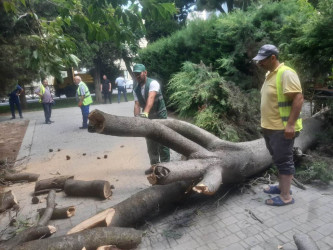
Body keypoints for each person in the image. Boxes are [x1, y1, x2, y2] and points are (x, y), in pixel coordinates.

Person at [253, 44, 303, 206]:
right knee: (278, 159)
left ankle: (286, 196)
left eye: (262, 60)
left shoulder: (286, 73)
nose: (259, 63)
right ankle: (282, 187)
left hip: (282, 129)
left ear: (273, 58)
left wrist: (290, 125)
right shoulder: (270, 74)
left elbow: (298, 98)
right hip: (270, 128)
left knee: (284, 161)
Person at [132, 64, 170, 174]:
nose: (137, 76)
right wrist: (136, 119)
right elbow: (137, 105)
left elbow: (151, 98)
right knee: (150, 142)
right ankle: (154, 166)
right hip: (148, 116)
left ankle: (166, 166)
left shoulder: (153, 83)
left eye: (139, 74)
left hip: (159, 114)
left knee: (163, 140)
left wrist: (145, 113)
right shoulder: (136, 89)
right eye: (135, 75)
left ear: (145, 72)